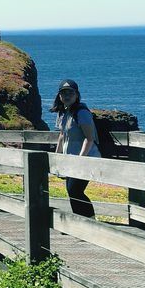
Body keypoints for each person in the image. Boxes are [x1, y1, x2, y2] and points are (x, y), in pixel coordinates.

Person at [52, 78, 100, 217]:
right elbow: (62, 135)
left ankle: (90, 221)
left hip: (85, 159)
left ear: (77, 95)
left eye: (70, 93)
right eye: (63, 93)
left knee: (75, 191)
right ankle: (80, 221)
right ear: (59, 96)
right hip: (70, 159)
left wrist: (81, 160)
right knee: (71, 191)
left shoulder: (82, 113)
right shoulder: (63, 113)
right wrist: (57, 157)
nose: (67, 96)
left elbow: (89, 138)